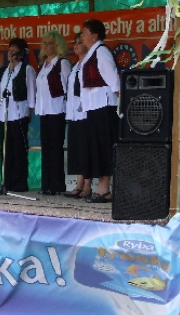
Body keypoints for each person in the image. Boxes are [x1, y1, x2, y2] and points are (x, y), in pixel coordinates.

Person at [79, 18, 121, 203]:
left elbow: (114, 79)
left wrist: (121, 104)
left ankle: (104, 189)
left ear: (94, 35)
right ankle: (100, 188)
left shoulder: (101, 52)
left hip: (105, 106)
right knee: (96, 149)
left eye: (84, 32)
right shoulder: (91, 54)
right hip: (93, 107)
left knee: (104, 148)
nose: (82, 36)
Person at [0, 38, 36, 192]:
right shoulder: (3, 71)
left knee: (19, 150)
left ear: (21, 55)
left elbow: (32, 94)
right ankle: (6, 182)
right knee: (6, 150)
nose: (11, 53)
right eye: (9, 50)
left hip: (19, 114)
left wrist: (29, 113)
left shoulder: (27, 70)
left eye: (14, 51)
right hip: (4, 115)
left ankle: (20, 184)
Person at [35, 30, 70, 195]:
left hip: (57, 110)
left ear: (57, 46)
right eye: (44, 43)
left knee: (55, 148)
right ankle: (46, 184)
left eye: (49, 43)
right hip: (44, 110)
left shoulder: (61, 63)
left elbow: (67, 88)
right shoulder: (43, 65)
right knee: (46, 147)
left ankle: (57, 185)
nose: (46, 46)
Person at [64, 33, 92, 199]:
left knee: (86, 149)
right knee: (76, 150)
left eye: (80, 42)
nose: (76, 45)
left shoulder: (90, 64)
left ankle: (87, 185)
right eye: (75, 42)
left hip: (86, 113)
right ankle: (79, 183)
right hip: (73, 113)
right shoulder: (75, 67)